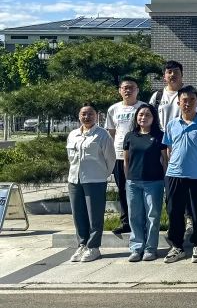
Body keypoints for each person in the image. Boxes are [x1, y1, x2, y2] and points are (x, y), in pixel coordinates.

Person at [162, 86, 197, 264]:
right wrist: (169, 171)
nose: (188, 103)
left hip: (196, 176)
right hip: (174, 175)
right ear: (178, 102)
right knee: (174, 211)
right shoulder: (171, 124)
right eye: (184, 100)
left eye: (192, 100)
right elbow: (168, 150)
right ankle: (177, 246)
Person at [66, 103, 116, 263]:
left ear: (97, 116)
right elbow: (71, 158)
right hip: (75, 179)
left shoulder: (102, 135)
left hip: (95, 180)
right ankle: (82, 244)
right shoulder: (73, 134)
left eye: (90, 114)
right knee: (78, 215)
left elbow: (110, 159)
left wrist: (102, 175)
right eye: (83, 114)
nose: (86, 117)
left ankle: (93, 247)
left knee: (95, 216)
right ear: (79, 116)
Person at [123, 104, 167, 261]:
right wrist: (128, 179)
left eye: (148, 115)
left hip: (154, 182)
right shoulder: (130, 136)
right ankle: (136, 248)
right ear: (136, 117)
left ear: (154, 118)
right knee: (134, 216)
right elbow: (126, 160)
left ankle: (150, 248)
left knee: (152, 216)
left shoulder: (160, 136)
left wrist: (166, 181)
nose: (143, 117)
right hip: (133, 182)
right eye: (141, 114)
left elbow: (165, 160)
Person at [105, 76, 145, 237]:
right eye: (125, 88)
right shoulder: (113, 109)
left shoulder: (143, 107)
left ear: (137, 90)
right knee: (122, 189)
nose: (128, 90)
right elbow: (111, 134)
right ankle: (126, 222)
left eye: (131, 87)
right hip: (119, 156)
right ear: (120, 91)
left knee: (139, 189)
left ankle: (141, 221)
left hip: (139, 156)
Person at [150, 60, 197, 127]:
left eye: (176, 72)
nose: (173, 74)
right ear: (164, 77)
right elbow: (149, 117)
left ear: (182, 75)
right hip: (161, 133)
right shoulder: (157, 96)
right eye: (169, 72)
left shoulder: (193, 94)